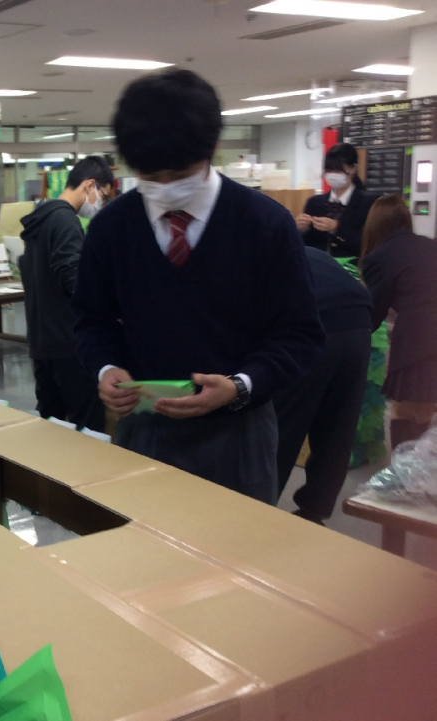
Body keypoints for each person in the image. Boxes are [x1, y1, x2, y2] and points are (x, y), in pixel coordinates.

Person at [72, 68, 324, 503]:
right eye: (150, 174)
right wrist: (105, 367)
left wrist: (241, 384)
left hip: (239, 432)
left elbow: (300, 335)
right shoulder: (112, 228)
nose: (165, 186)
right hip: (145, 427)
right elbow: (91, 321)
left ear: (212, 149)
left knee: (239, 542)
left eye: (179, 172)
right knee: (140, 539)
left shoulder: (264, 224)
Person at [273, 247, 372, 524]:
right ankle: (314, 510)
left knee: (278, 424)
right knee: (337, 424)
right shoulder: (303, 251)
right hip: (358, 322)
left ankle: (254, 509)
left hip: (311, 323)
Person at [19, 156, 113, 432]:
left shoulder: (41, 219)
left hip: (42, 343)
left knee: (52, 428)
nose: (101, 203)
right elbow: (72, 277)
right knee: (88, 428)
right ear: (90, 185)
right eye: (103, 196)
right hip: (68, 344)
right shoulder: (65, 220)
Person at [361, 194, 437, 447]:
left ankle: (402, 470)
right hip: (431, 336)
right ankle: (420, 467)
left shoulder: (379, 257)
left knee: (401, 410)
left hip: (416, 341)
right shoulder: (429, 245)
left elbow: (373, 313)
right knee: (426, 408)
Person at [297, 143, 377, 258]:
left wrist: (336, 228)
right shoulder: (314, 203)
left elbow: (370, 244)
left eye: (338, 170)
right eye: (329, 170)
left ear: (354, 169)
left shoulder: (370, 203)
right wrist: (300, 229)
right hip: (318, 266)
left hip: (353, 267)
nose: (333, 175)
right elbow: (306, 245)